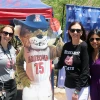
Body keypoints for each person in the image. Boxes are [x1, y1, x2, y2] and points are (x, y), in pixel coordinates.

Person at [55, 21, 90, 100]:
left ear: (81, 33)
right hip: (68, 85)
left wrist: (77, 91)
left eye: (78, 30)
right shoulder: (66, 46)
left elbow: (85, 71)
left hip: (81, 87)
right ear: (69, 32)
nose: (75, 32)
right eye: (72, 30)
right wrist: (50, 65)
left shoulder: (84, 46)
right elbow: (60, 64)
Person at [0, 25, 17, 100]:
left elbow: (13, 64)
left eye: (10, 34)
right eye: (5, 33)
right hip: (2, 86)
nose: (7, 36)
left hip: (12, 85)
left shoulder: (11, 48)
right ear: (0, 33)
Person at [87, 29, 100, 100]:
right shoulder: (88, 54)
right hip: (93, 84)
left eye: (97, 39)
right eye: (92, 39)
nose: (94, 41)